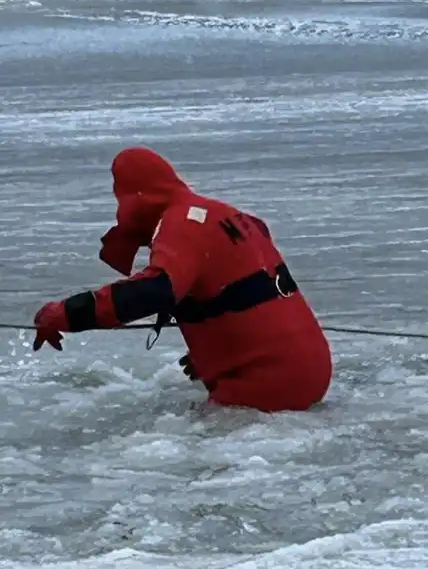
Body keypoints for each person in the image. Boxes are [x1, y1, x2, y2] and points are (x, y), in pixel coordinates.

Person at [32, 147, 332, 413]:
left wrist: (65, 313)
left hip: (265, 382)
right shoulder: (228, 215)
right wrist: (216, 349)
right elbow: (245, 288)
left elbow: (153, 291)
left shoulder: (182, 223)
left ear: (135, 197)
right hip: (310, 369)